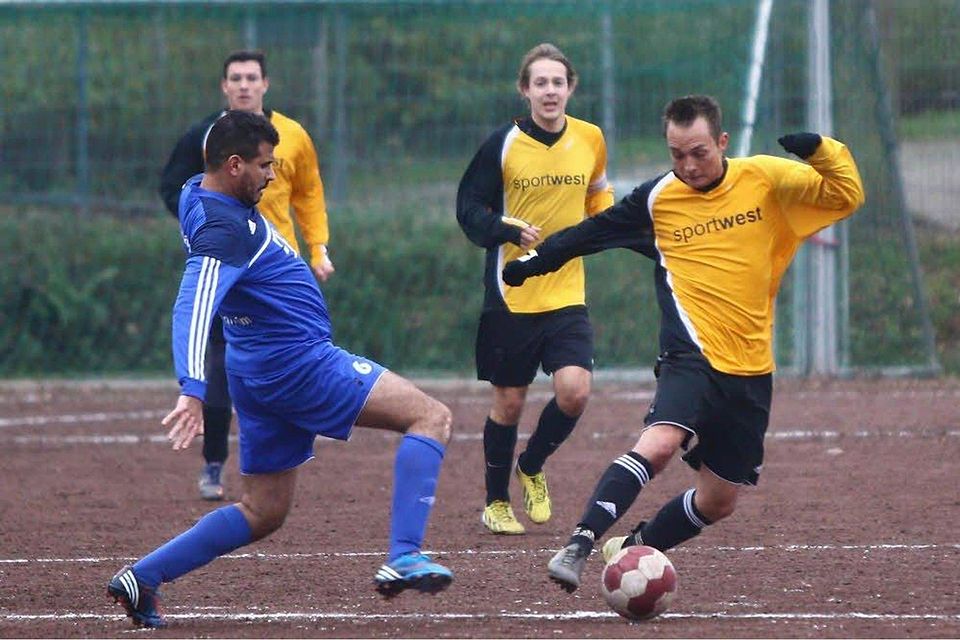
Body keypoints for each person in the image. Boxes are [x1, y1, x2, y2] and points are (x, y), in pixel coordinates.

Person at [502, 94, 865, 591]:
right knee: (661, 441)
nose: (688, 166)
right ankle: (579, 543)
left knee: (719, 500)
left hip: (751, 365)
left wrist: (821, 149)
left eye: (698, 152)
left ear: (721, 142)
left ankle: (632, 549)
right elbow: (590, 233)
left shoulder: (764, 178)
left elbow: (845, 194)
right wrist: (531, 262)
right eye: (676, 154)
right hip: (689, 353)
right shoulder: (657, 199)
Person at [108, 111, 453, 629]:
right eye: (265, 165)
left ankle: (144, 576)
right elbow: (193, 303)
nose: (272, 176)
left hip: (257, 369)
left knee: (262, 511)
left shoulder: (194, 194)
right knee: (432, 417)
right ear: (232, 165)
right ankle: (405, 554)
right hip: (299, 364)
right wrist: (192, 387)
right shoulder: (224, 231)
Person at [159, 50, 335, 501]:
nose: (243, 85)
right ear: (224, 86)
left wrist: (318, 247)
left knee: (289, 356)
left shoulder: (292, 135)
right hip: (228, 267)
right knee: (223, 367)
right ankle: (215, 463)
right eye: (235, 77)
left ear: (265, 83)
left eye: (251, 77)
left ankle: (286, 451)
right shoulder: (208, 138)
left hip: (277, 269)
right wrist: (206, 233)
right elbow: (178, 185)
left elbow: (309, 192)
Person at [456, 43, 614, 535]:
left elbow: (598, 192)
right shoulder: (501, 145)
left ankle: (533, 464)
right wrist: (505, 229)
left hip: (566, 292)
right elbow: (469, 210)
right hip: (512, 294)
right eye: (540, 83)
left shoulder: (590, 138)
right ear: (525, 90)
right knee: (509, 403)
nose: (550, 91)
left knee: (574, 391)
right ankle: (496, 502)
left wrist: (602, 224)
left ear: (571, 89)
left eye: (558, 82)